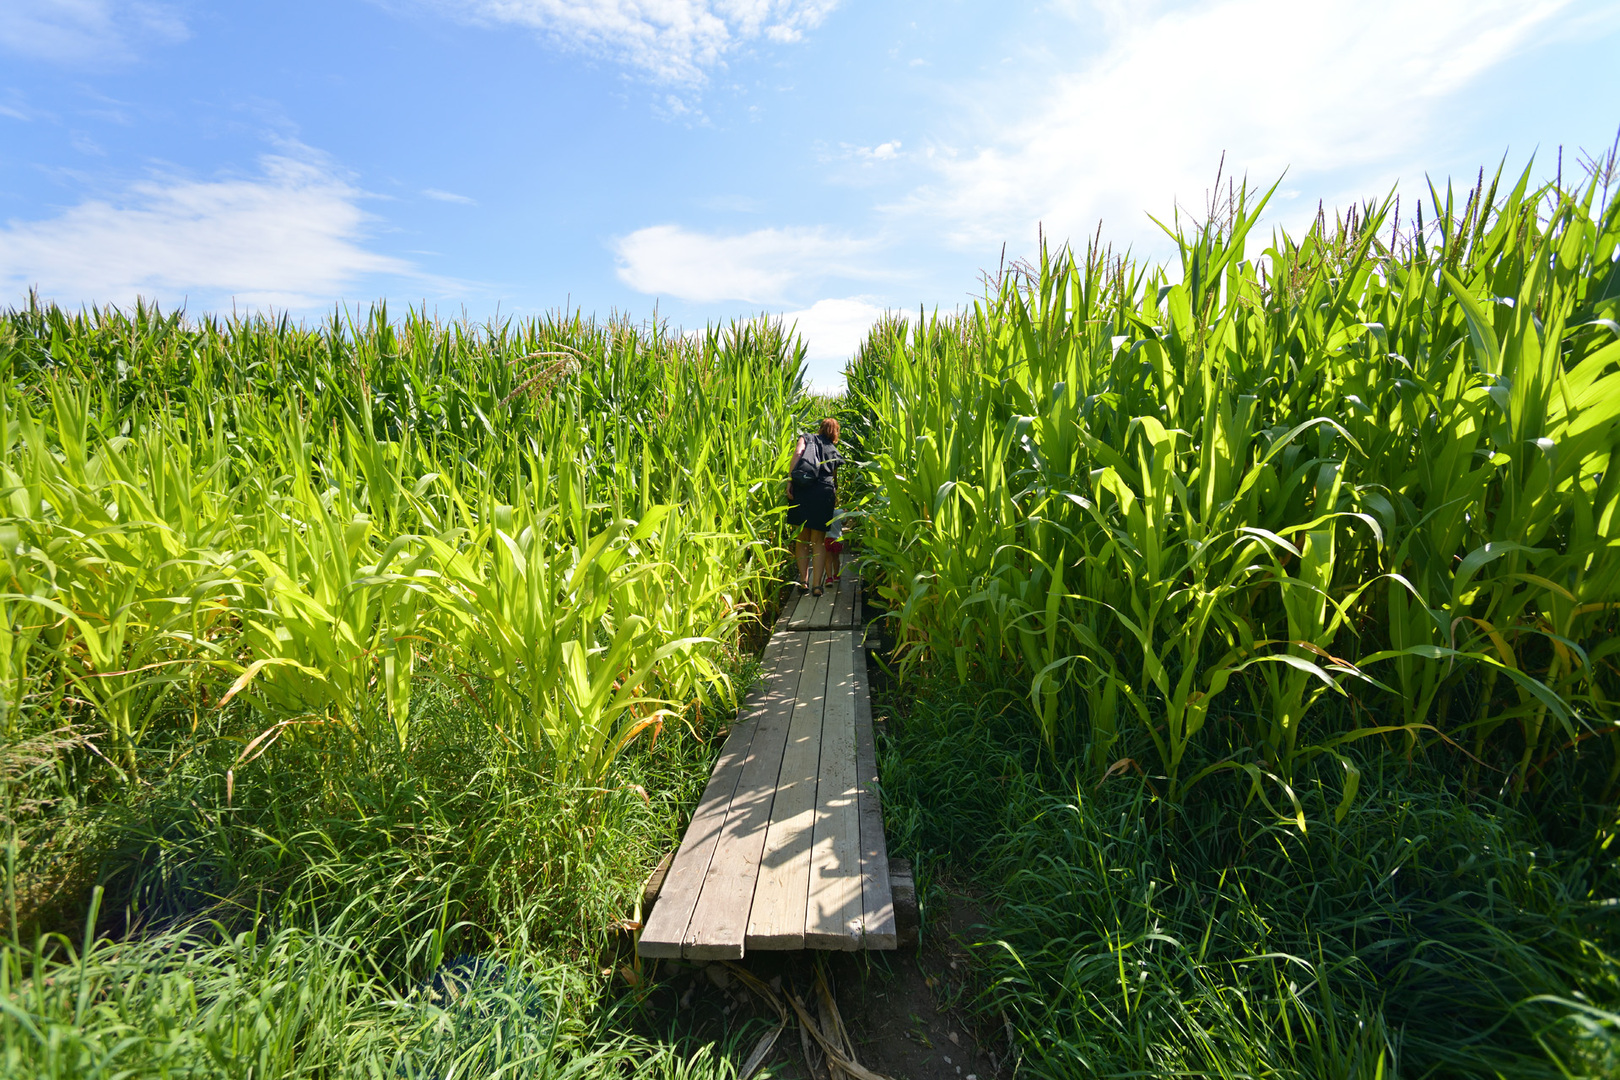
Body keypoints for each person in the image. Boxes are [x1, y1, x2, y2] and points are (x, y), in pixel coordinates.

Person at [785, 418, 842, 596]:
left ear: (820, 428)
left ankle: (804, 582)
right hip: (824, 493)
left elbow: (797, 453)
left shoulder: (807, 438)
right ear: (836, 432)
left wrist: (790, 480)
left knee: (802, 539)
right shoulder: (833, 449)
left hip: (803, 488)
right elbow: (834, 477)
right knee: (818, 541)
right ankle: (817, 585)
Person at [824, 508, 847, 583]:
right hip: (838, 539)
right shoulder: (840, 512)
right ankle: (836, 576)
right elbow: (844, 522)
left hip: (827, 538)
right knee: (836, 558)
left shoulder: (824, 511)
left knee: (828, 559)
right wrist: (846, 514)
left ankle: (829, 578)